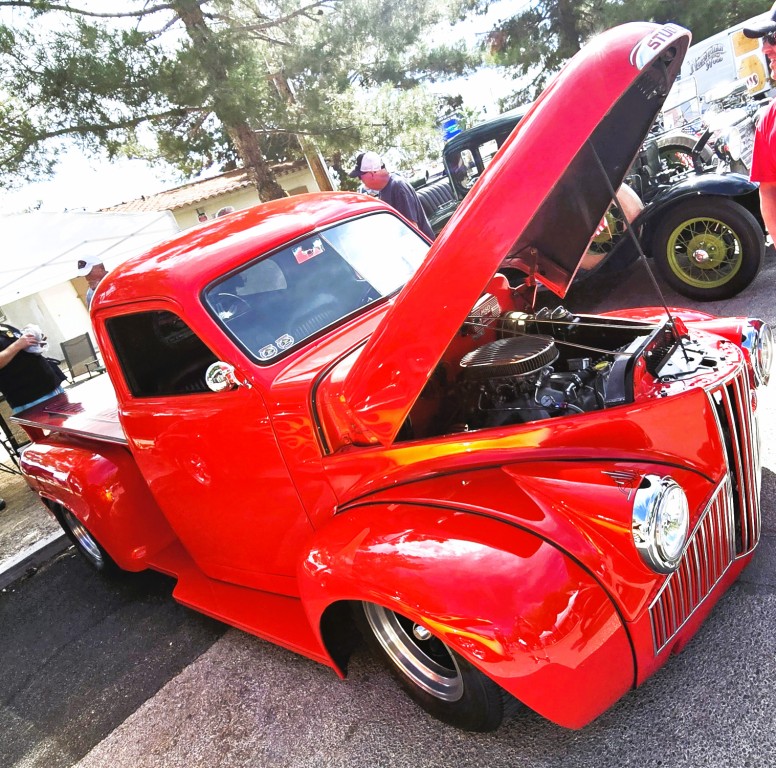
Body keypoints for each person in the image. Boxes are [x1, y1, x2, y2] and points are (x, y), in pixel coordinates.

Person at [744, 4, 776, 239]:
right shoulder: (767, 120)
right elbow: (768, 192)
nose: (766, 48)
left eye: (773, 37)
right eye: (765, 39)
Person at [349, 151, 435, 239]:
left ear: (371, 174)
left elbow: (411, 230)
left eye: (360, 176)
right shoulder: (384, 189)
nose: (361, 180)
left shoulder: (398, 186)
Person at [0, 323, 65, 415]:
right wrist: (17, 345)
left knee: (69, 425)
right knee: (54, 427)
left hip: (50, 387)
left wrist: (35, 342)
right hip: (30, 398)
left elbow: (22, 348)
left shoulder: (4, 327)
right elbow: (18, 345)